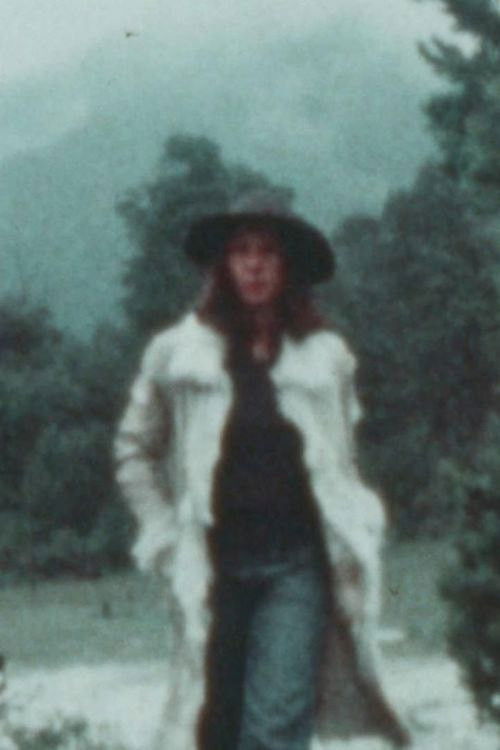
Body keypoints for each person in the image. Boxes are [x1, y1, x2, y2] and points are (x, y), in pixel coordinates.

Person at [114, 191, 411, 750]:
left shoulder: (325, 357)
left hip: (296, 566)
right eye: (241, 251)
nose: (254, 265)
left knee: (275, 726)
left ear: (288, 265)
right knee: (215, 726)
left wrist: (357, 527)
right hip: (213, 567)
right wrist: (164, 534)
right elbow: (135, 451)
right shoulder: (178, 354)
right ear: (223, 264)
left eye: (268, 252)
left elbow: (340, 462)